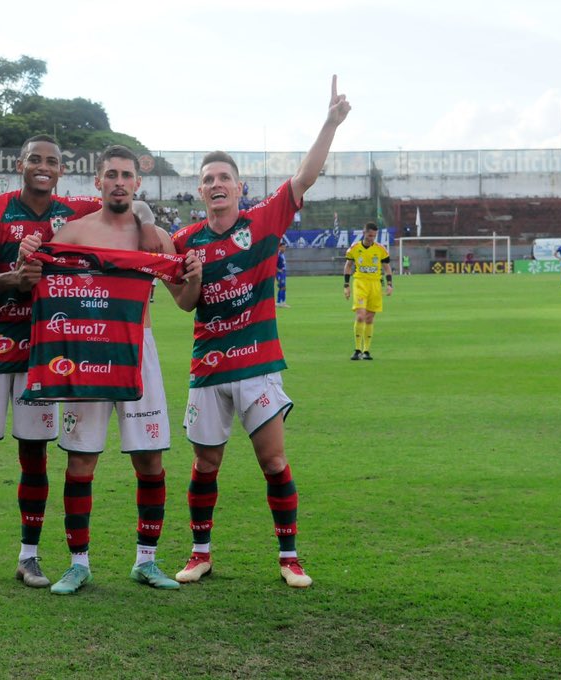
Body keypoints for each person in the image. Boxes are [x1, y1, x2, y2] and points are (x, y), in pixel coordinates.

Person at [0, 134, 162, 590]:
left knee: (34, 452)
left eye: (52, 162)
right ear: (20, 163)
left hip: (45, 348)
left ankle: (29, 556)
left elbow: (123, 206)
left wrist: (144, 212)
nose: (43, 167)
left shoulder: (72, 209)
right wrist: (15, 278)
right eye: (35, 160)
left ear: (62, 171)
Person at [170, 75, 351, 589]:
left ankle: (289, 557)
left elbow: (303, 178)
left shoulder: (264, 221)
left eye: (225, 176)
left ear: (238, 186)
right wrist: (194, 282)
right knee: (206, 465)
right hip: (208, 368)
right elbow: (185, 304)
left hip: (257, 365)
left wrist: (330, 123)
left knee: (273, 460)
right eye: (209, 178)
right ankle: (199, 553)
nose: (217, 183)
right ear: (201, 189)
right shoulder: (186, 241)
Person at [19, 145, 200, 596]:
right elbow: (39, 277)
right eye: (111, 174)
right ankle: (78, 564)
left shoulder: (154, 237)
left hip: (140, 352)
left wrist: (193, 274)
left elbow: (184, 300)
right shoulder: (75, 233)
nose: (119, 181)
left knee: (150, 458)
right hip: (86, 353)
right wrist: (28, 252)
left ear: (137, 183)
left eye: (126, 175)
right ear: (97, 182)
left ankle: (147, 560)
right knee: (80, 461)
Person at [343, 222, 393, 361]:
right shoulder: (354, 248)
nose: (372, 238)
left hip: (375, 285)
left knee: (370, 318)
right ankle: (357, 349)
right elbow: (348, 267)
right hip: (360, 283)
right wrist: (346, 285)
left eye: (374, 236)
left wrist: (389, 284)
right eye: (370, 235)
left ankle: (366, 351)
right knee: (360, 316)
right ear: (364, 233)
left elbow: (387, 268)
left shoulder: (380, 249)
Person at [275, 240, 289, 308]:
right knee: (282, 287)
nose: (284, 248)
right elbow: (274, 264)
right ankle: (281, 303)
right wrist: (278, 270)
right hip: (280, 273)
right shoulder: (278, 255)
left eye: (285, 247)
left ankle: (279, 302)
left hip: (283, 273)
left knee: (282, 287)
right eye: (283, 247)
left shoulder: (282, 255)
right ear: (279, 247)